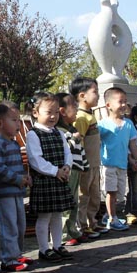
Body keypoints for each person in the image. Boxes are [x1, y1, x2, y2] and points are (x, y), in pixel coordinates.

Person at [25, 92, 75, 263]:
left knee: (57, 215)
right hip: (45, 181)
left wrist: (67, 166)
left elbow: (67, 151)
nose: (53, 116)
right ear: (36, 113)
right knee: (44, 217)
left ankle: (57, 245)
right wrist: (55, 171)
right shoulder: (33, 134)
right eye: (49, 112)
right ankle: (43, 249)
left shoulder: (58, 133)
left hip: (59, 179)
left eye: (56, 112)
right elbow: (36, 160)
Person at [0, 101, 33, 272]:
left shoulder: (14, 143)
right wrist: (18, 179)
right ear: (0, 124)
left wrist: (25, 178)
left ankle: (17, 254)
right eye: (14, 120)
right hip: (4, 193)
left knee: (20, 224)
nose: (19, 124)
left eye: (19, 120)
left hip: (17, 192)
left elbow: (18, 167)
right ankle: (8, 259)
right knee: (9, 226)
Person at [70, 77, 108, 238]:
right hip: (85, 165)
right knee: (84, 195)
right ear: (82, 96)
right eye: (95, 92)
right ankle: (82, 225)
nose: (98, 95)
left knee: (95, 194)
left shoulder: (90, 115)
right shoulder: (80, 117)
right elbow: (79, 143)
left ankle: (93, 222)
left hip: (94, 164)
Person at [98, 87, 137, 231]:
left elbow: (132, 143)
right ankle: (112, 218)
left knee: (120, 194)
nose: (123, 105)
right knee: (111, 191)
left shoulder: (128, 124)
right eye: (120, 101)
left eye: (125, 102)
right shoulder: (102, 125)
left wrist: (136, 158)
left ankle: (108, 215)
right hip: (108, 164)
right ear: (108, 105)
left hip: (122, 165)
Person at [55, 92, 90, 246]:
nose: (77, 110)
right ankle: (63, 235)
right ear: (62, 111)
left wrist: (85, 165)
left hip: (76, 170)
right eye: (74, 107)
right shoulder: (60, 132)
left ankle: (73, 230)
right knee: (66, 204)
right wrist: (74, 139)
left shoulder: (71, 128)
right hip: (66, 171)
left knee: (74, 202)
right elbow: (65, 151)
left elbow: (79, 150)